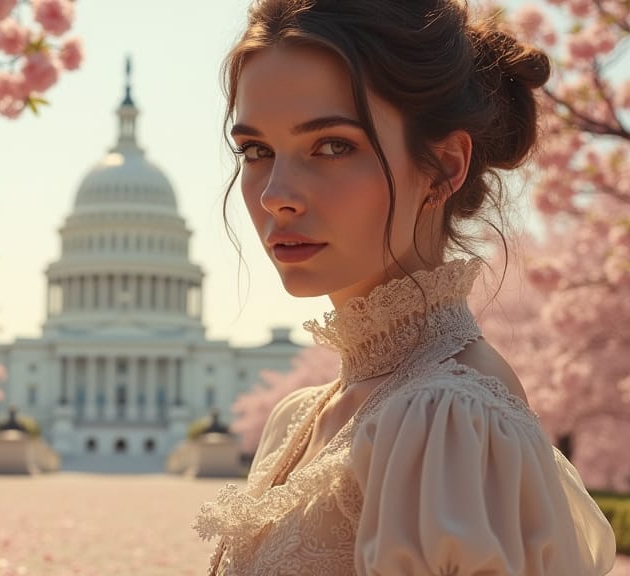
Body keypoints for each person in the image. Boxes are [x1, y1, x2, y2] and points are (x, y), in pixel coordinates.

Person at [193, 1, 617, 574]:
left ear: (444, 166)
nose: (276, 194)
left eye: (332, 145)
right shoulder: (303, 417)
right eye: (256, 150)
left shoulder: (444, 417)